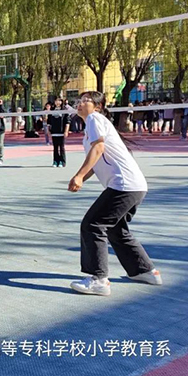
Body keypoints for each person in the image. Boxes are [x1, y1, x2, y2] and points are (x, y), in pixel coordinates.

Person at [68, 91, 162, 296]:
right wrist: (81, 177)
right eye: (79, 100)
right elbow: (98, 159)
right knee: (116, 229)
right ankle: (145, 271)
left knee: (92, 224)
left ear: (98, 107)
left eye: (86, 100)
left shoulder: (94, 119)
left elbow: (99, 149)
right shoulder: (93, 124)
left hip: (124, 186)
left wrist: (79, 175)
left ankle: (98, 280)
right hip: (134, 186)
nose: (80, 103)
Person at [48, 98, 70, 167]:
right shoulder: (52, 110)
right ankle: (55, 161)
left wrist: (66, 131)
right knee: (55, 147)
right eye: (56, 101)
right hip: (54, 131)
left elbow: (67, 122)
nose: (58, 102)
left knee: (61, 147)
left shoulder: (64, 110)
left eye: (59, 101)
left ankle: (62, 161)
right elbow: (49, 122)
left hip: (61, 131)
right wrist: (48, 131)